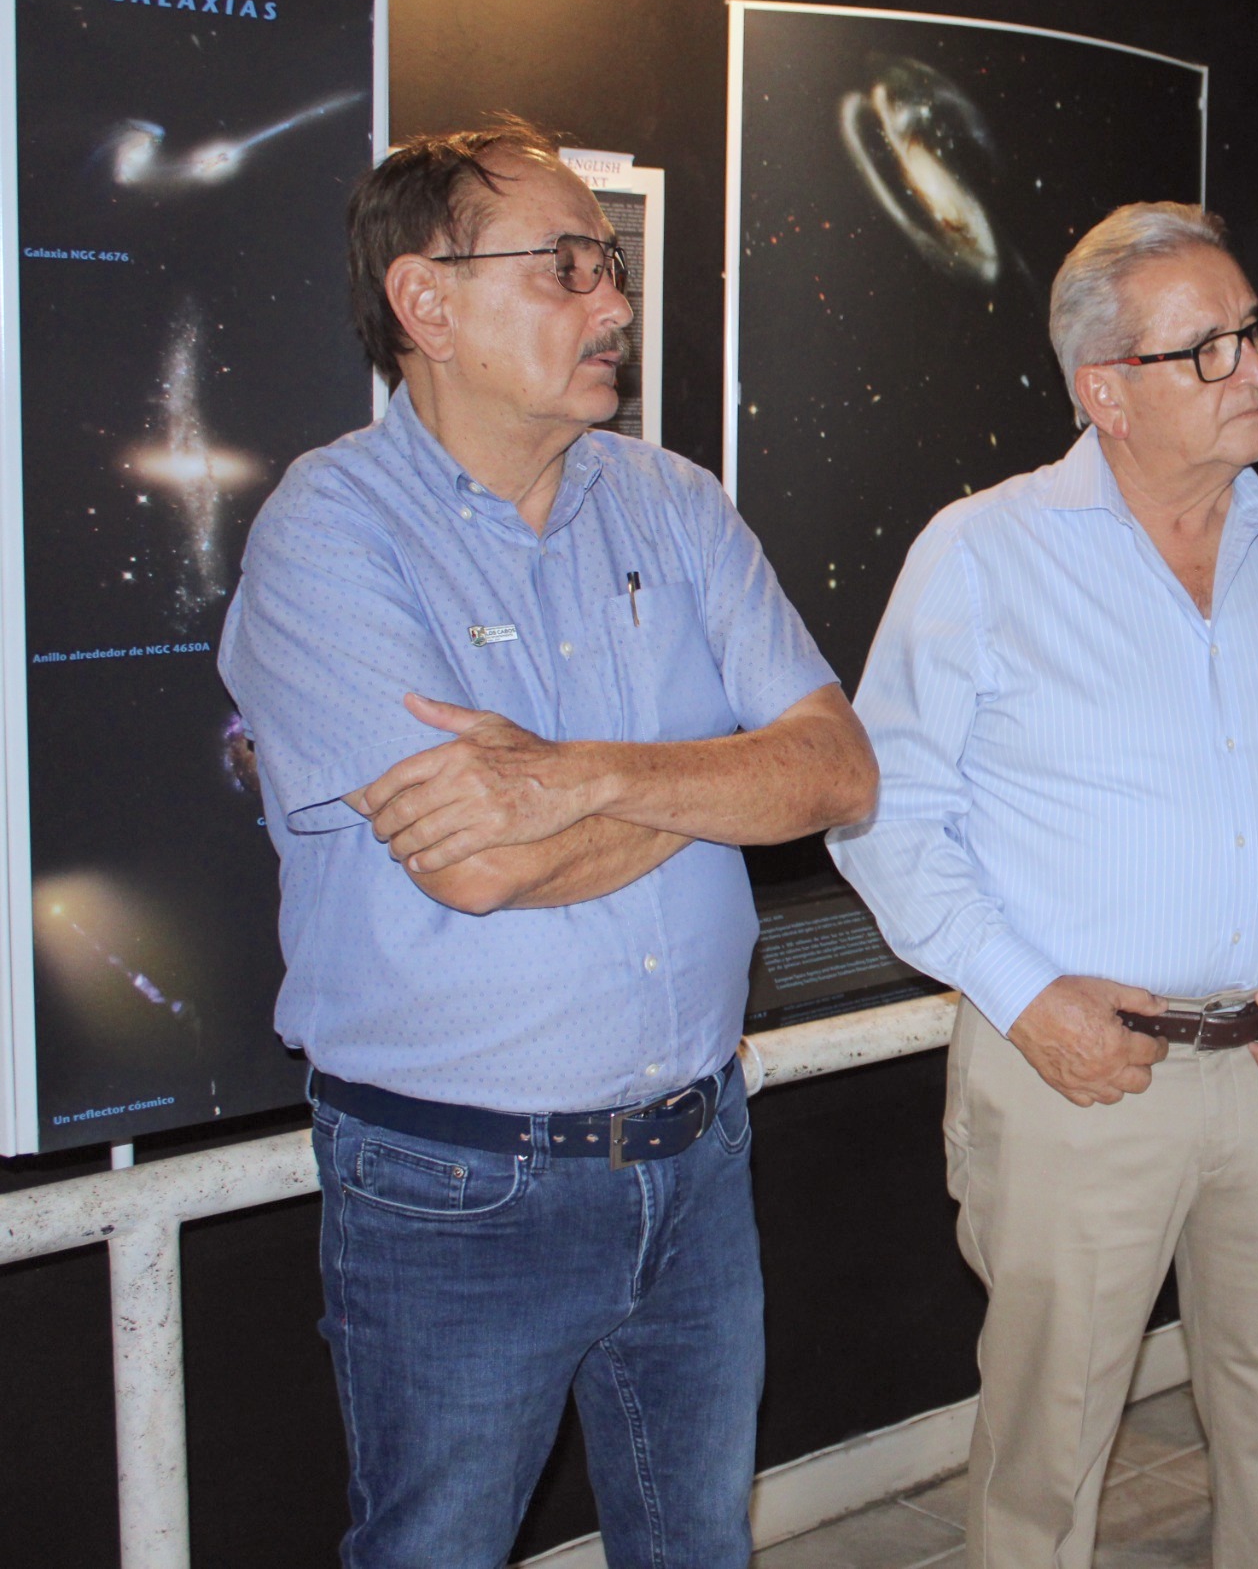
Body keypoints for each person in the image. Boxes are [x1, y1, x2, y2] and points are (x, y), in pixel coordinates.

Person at [219, 119, 877, 1569]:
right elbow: (477, 865)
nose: (617, 305)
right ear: (426, 303)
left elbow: (833, 769)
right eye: (568, 267)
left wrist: (572, 776)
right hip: (459, 1185)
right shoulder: (331, 530)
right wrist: (713, 791)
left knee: (695, 1542)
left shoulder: (674, 502)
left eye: (613, 265)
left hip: (700, 1153)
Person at [833, 202, 1258, 1569]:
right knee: (1046, 1452)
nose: (1256, 369)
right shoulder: (981, 557)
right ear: (1105, 390)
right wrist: (1027, 996)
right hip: (1076, 1075)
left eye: (1253, 334)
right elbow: (884, 816)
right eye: (1207, 349)